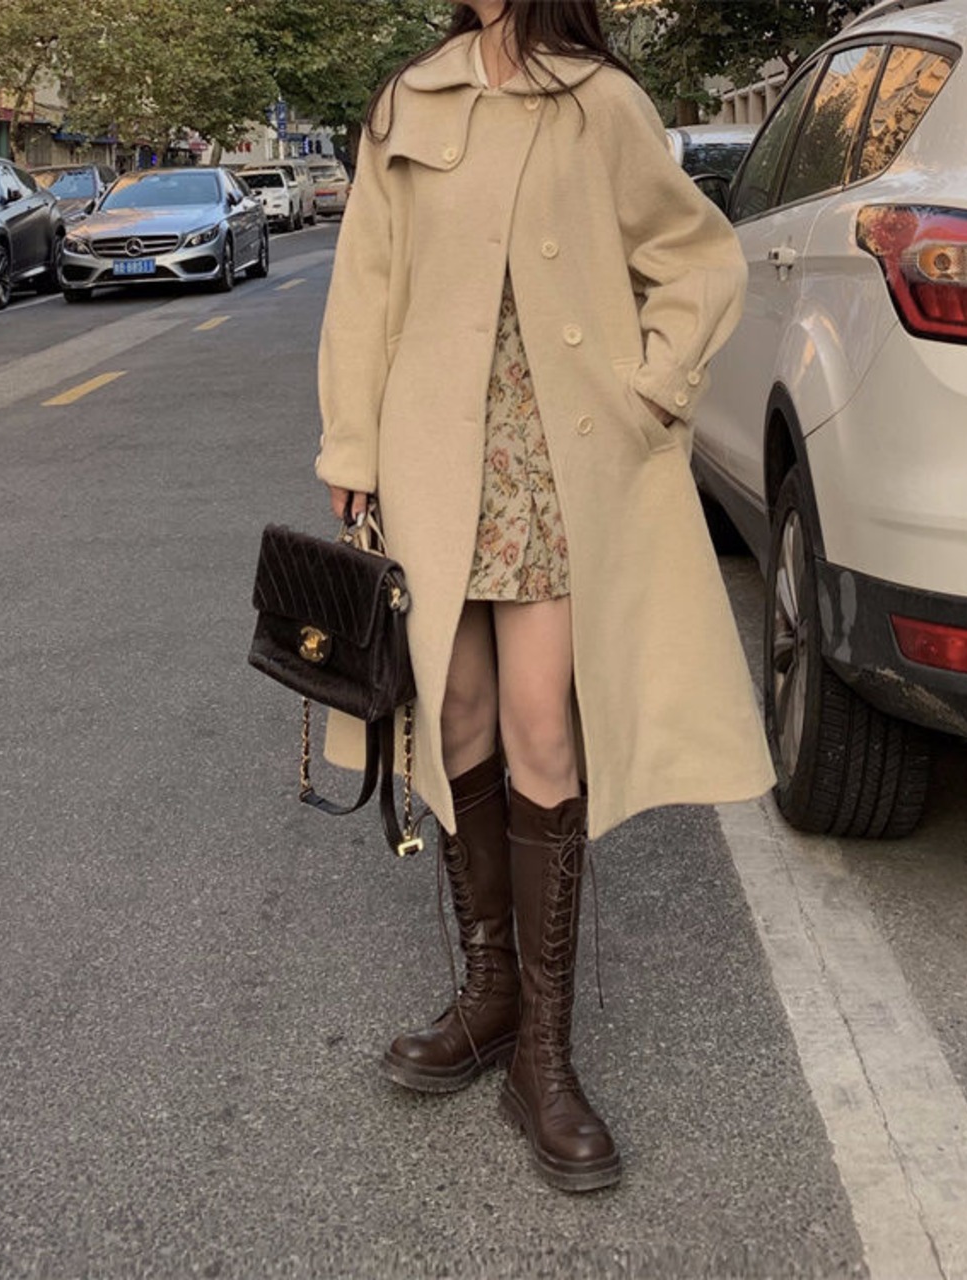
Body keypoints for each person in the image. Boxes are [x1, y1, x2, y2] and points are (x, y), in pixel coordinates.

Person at [314, 0, 775, 1194]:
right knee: (454, 716)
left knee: (540, 728)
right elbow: (364, 283)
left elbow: (697, 256)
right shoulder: (408, 100)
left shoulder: (597, 100)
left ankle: (543, 1055)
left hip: (553, 464)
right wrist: (349, 446)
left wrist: (652, 387)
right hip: (428, 460)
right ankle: (488, 996)